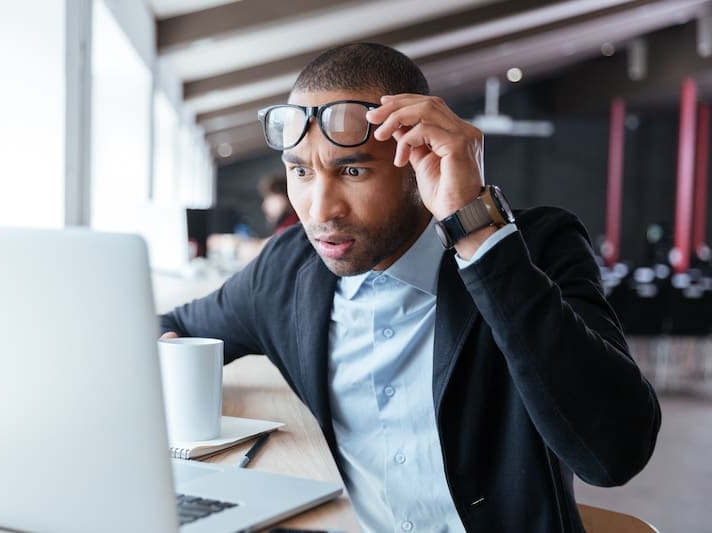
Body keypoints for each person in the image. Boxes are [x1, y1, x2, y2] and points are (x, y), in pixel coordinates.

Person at [161, 43, 660, 533]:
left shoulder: (535, 248)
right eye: (300, 171)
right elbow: (174, 329)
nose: (318, 209)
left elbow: (614, 455)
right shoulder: (285, 271)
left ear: (418, 161)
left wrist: (479, 231)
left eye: (352, 170)